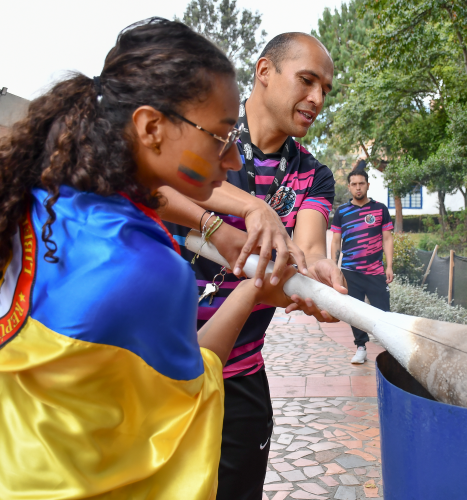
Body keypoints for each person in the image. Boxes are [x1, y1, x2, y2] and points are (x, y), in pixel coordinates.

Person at [0, 18, 318, 499]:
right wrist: (255, 290)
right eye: (219, 136)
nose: (232, 161)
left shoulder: (41, 199)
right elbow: (192, 398)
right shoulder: (150, 270)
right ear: (150, 127)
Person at [162, 32, 345, 500]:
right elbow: (159, 184)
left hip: (239, 372)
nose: (317, 98)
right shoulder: (208, 131)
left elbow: (305, 253)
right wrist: (249, 210)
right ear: (264, 72)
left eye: (325, 89)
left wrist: (317, 279)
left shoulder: (313, 174)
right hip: (160, 366)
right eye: (306, 81)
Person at [330, 168, 394, 364]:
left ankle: (391, 349)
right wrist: (333, 266)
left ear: (367, 185)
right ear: (349, 187)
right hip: (351, 272)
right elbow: (335, 241)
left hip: (375, 271)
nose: (358, 188)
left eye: (361, 183)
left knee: (383, 312)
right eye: (354, 184)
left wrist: (389, 266)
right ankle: (360, 347)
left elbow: (387, 238)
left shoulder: (380, 209)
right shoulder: (341, 212)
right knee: (355, 313)